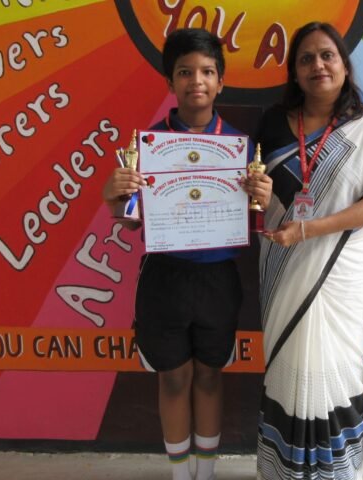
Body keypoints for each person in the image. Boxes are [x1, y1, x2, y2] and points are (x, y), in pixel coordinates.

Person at [102, 28, 271, 480]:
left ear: (220, 81)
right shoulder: (148, 148)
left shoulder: (240, 148)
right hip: (165, 278)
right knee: (173, 377)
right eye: (185, 72)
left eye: (207, 71)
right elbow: (131, 221)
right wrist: (115, 197)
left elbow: (259, 218)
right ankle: (181, 475)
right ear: (170, 82)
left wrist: (263, 196)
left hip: (218, 279)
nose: (197, 80)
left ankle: (206, 472)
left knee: (211, 374)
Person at [254, 22, 363, 479]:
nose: (318, 66)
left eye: (327, 55)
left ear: (344, 65)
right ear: (294, 71)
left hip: (345, 268)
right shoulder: (273, 123)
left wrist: (308, 230)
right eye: (306, 58)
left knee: (339, 368)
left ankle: (337, 472)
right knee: (288, 364)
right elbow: (266, 200)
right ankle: (284, 471)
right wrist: (258, 193)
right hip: (284, 264)